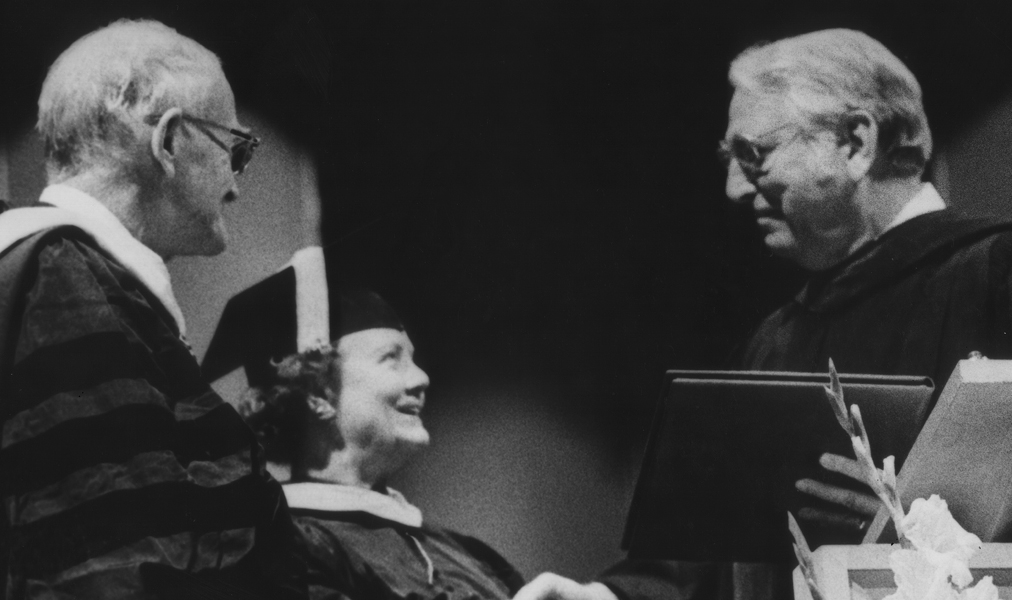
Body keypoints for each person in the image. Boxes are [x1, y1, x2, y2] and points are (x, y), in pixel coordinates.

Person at [0, 20, 304, 599]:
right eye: (235, 150)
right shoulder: (63, 284)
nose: (237, 187)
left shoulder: (60, 278)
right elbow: (114, 572)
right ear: (168, 143)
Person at [204, 247, 696, 600]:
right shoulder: (285, 548)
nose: (420, 378)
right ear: (317, 394)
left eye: (414, 358)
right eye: (391, 359)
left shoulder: (463, 551)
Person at [719, 28, 1012, 597]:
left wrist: (920, 530)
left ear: (855, 142)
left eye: (753, 155)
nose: (734, 188)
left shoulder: (996, 273)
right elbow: (710, 558)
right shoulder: (776, 339)